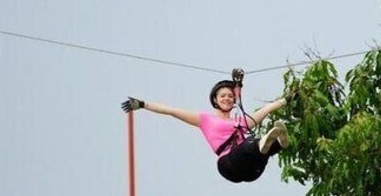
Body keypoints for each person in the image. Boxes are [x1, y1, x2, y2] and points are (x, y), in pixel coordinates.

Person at [121, 76, 289, 183]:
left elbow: (265, 110)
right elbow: (171, 110)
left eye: (230, 96)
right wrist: (143, 105)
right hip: (228, 165)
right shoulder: (205, 120)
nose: (227, 98)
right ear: (215, 100)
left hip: (250, 172)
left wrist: (285, 100)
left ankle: (275, 144)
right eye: (223, 95)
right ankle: (263, 145)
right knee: (251, 143)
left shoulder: (241, 121)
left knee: (266, 147)